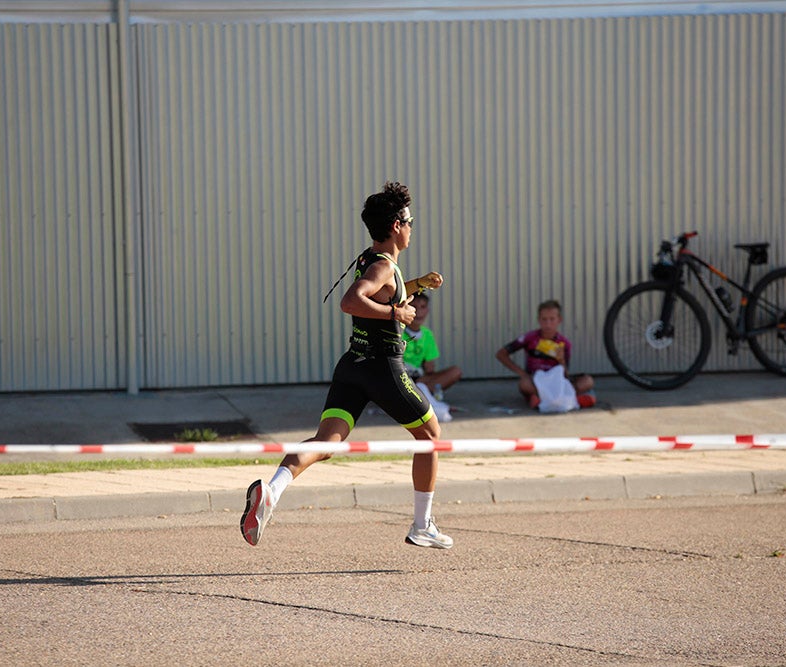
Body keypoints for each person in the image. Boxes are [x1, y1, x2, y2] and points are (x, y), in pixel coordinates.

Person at [241, 181, 453, 549]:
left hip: (352, 366)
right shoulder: (384, 267)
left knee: (326, 442)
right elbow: (352, 301)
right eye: (410, 220)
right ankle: (422, 525)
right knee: (431, 437)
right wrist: (396, 313)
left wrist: (417, 284)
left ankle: (272, 492)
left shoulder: (370, 259)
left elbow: (382, 291)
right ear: (395, 227)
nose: (412, 227)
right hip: (382, 367)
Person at [495, 299, 595, 410]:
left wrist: (561, 360)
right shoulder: (530, 337)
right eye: (544, 319)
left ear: (559, 320)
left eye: (552, 319)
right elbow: (501, 354)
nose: (548, 324)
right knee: (524, 384)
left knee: (587, 381)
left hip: (557, 382)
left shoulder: (564, 343)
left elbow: (566, 375)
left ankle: (540, 400)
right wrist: (522, 373)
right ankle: (570, 399)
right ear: (539, 320)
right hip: (536, 381)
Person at [402, 292, 462, 399]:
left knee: (455, 371)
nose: (419, 311)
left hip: (418, 379)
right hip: (400, 377)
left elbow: (430, 368)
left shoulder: (427, 334)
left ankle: (420, 396)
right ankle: (417, 396)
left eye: (423, 307)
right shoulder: (398, 331)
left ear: (427, 310)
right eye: (414, 307)